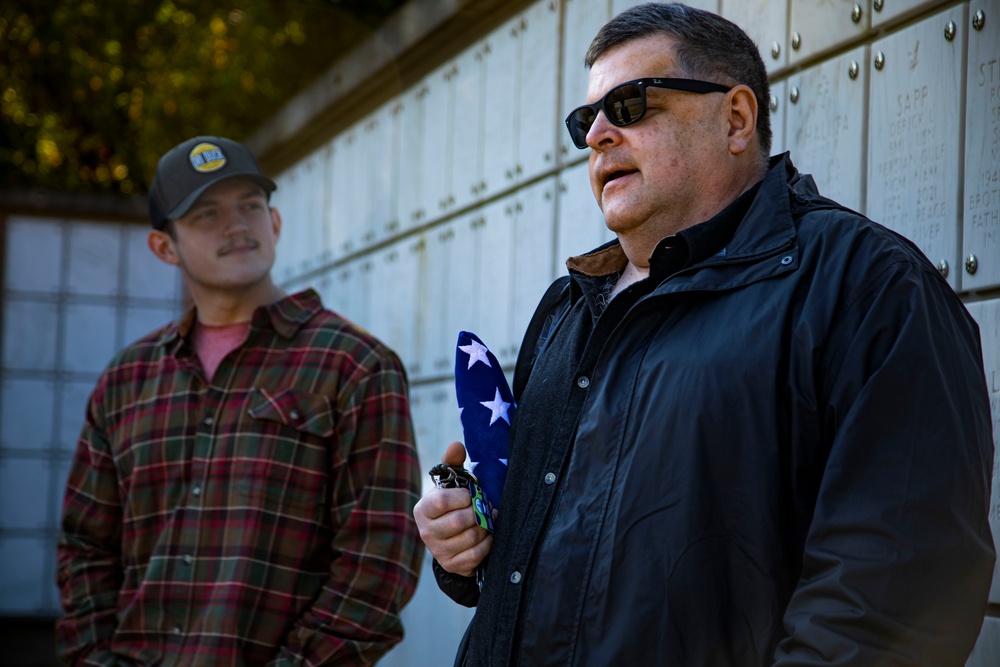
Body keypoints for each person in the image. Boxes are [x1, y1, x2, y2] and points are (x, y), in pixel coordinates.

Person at [414, 3, 996, 665]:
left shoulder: (870, 288)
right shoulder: (565, 308)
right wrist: (465, 541)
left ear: (737, 119)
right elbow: (538, 561)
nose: (598, 134)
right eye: (587, 120)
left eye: (630, 105)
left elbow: (893, 600)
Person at [56, 136, 424, 666]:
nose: (236, 226)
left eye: (249, 206)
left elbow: (380, 558)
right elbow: (84, 548)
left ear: (273, 223)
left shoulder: (355, 365)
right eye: (207, 214)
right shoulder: (126, 380)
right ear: (164, 247)